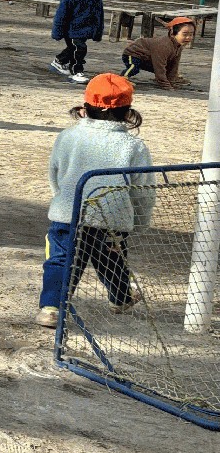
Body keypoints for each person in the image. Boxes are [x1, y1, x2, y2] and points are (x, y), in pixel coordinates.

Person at [38, 73, 153, 327]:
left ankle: (51, 307)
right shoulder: (133, 145)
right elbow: (143, 189)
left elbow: (55, 173)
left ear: (86, 106)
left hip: (68, 212)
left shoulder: (67, 136)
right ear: (128, 112)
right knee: (112, 259)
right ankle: (121, 297)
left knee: (61, 259)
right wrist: (140, 221)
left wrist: (61, 198)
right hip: (112, 217)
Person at [49, 0, 104, 85]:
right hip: (72, 30)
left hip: (85, 30)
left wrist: (98, 32)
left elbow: (99, 14)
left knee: (73, 49)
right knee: (79, 49)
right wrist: (57, 32)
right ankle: (76, 71)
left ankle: (59, 61)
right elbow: (61, 16)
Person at [123, 17, 198, 90]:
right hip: (133, 54)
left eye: (191, 34)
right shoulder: (163, 45)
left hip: (149, 59)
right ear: (173, 33)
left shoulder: (178, 46)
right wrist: (165, 84)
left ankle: (166, 80)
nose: (188, 37)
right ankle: (122, 78)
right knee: (134, 68)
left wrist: (172, 80)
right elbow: (159, 66)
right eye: (185, 34)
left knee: (168, 68)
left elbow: (174, 65)